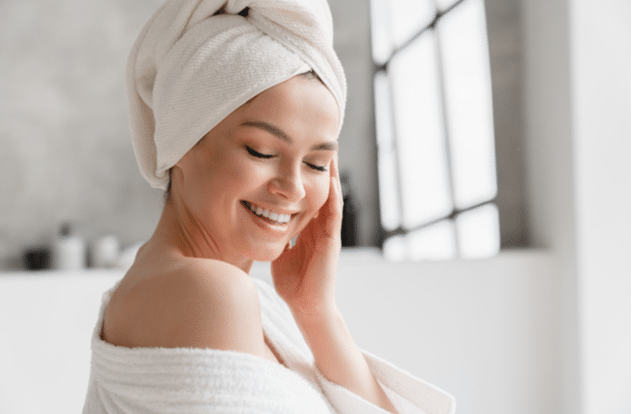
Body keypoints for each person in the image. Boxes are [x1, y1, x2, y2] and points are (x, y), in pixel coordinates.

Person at [82, 0, 455, 413]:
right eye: (260, 151)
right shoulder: (209, 294)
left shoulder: (194, 288)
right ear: (179, 141)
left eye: (316, 163)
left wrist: (316, 312)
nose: (293, 188)